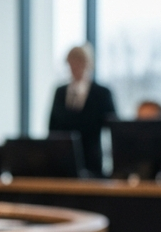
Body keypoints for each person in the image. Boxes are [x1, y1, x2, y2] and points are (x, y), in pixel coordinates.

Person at [48, 44, 116, 176]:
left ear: (89, 64)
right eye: (72, 62)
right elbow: (52, 126)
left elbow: (113, 127)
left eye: (80, 62)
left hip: (92, 160)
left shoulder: (101, 93)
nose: (75, 66)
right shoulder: (60, 92)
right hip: (64, 161)